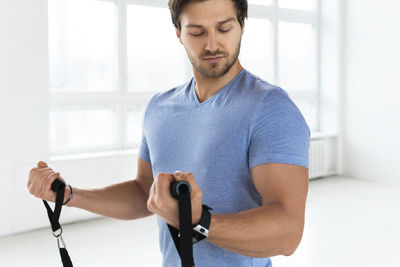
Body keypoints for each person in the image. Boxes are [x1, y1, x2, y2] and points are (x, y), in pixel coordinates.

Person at [27, 0, 311, 266]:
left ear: (242, 25)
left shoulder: (270, 109)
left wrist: (196, 220)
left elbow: (288, 232)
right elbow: (143, 193)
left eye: (224, 28)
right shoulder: (160, 108)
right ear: (178, 33)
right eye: (197, 32)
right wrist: (69, 195)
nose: (212, 44)